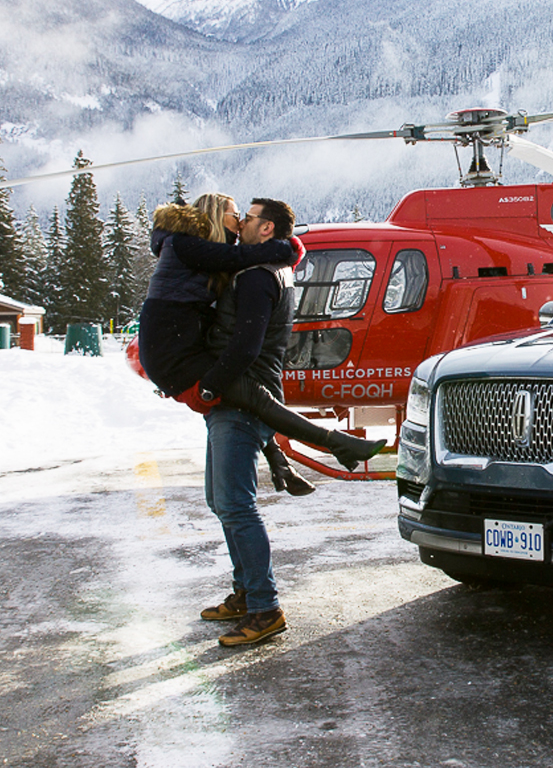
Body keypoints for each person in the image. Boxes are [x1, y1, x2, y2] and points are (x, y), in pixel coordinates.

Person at [137, 194, 386, 487]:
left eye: (245, 217)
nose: (240, 222)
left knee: (249, 398)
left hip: (178, 348)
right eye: (235, 215)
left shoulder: (200, 253)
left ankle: (285, 463)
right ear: (217, 217)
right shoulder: (185, 245)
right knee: (253, 397)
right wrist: (287, 249)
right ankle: (333, 442)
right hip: (171, 354)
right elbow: (240, 258)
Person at [199, 198, 314, 645]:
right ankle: (246, 593)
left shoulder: (257, 278)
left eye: (248, 217)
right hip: (237, 397)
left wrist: (209, 385)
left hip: (244, 398)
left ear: (266, 230)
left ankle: (265, 608)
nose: (241, 222)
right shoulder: (266, 271)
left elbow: (245, 345)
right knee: (220, 500)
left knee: (236, 505)